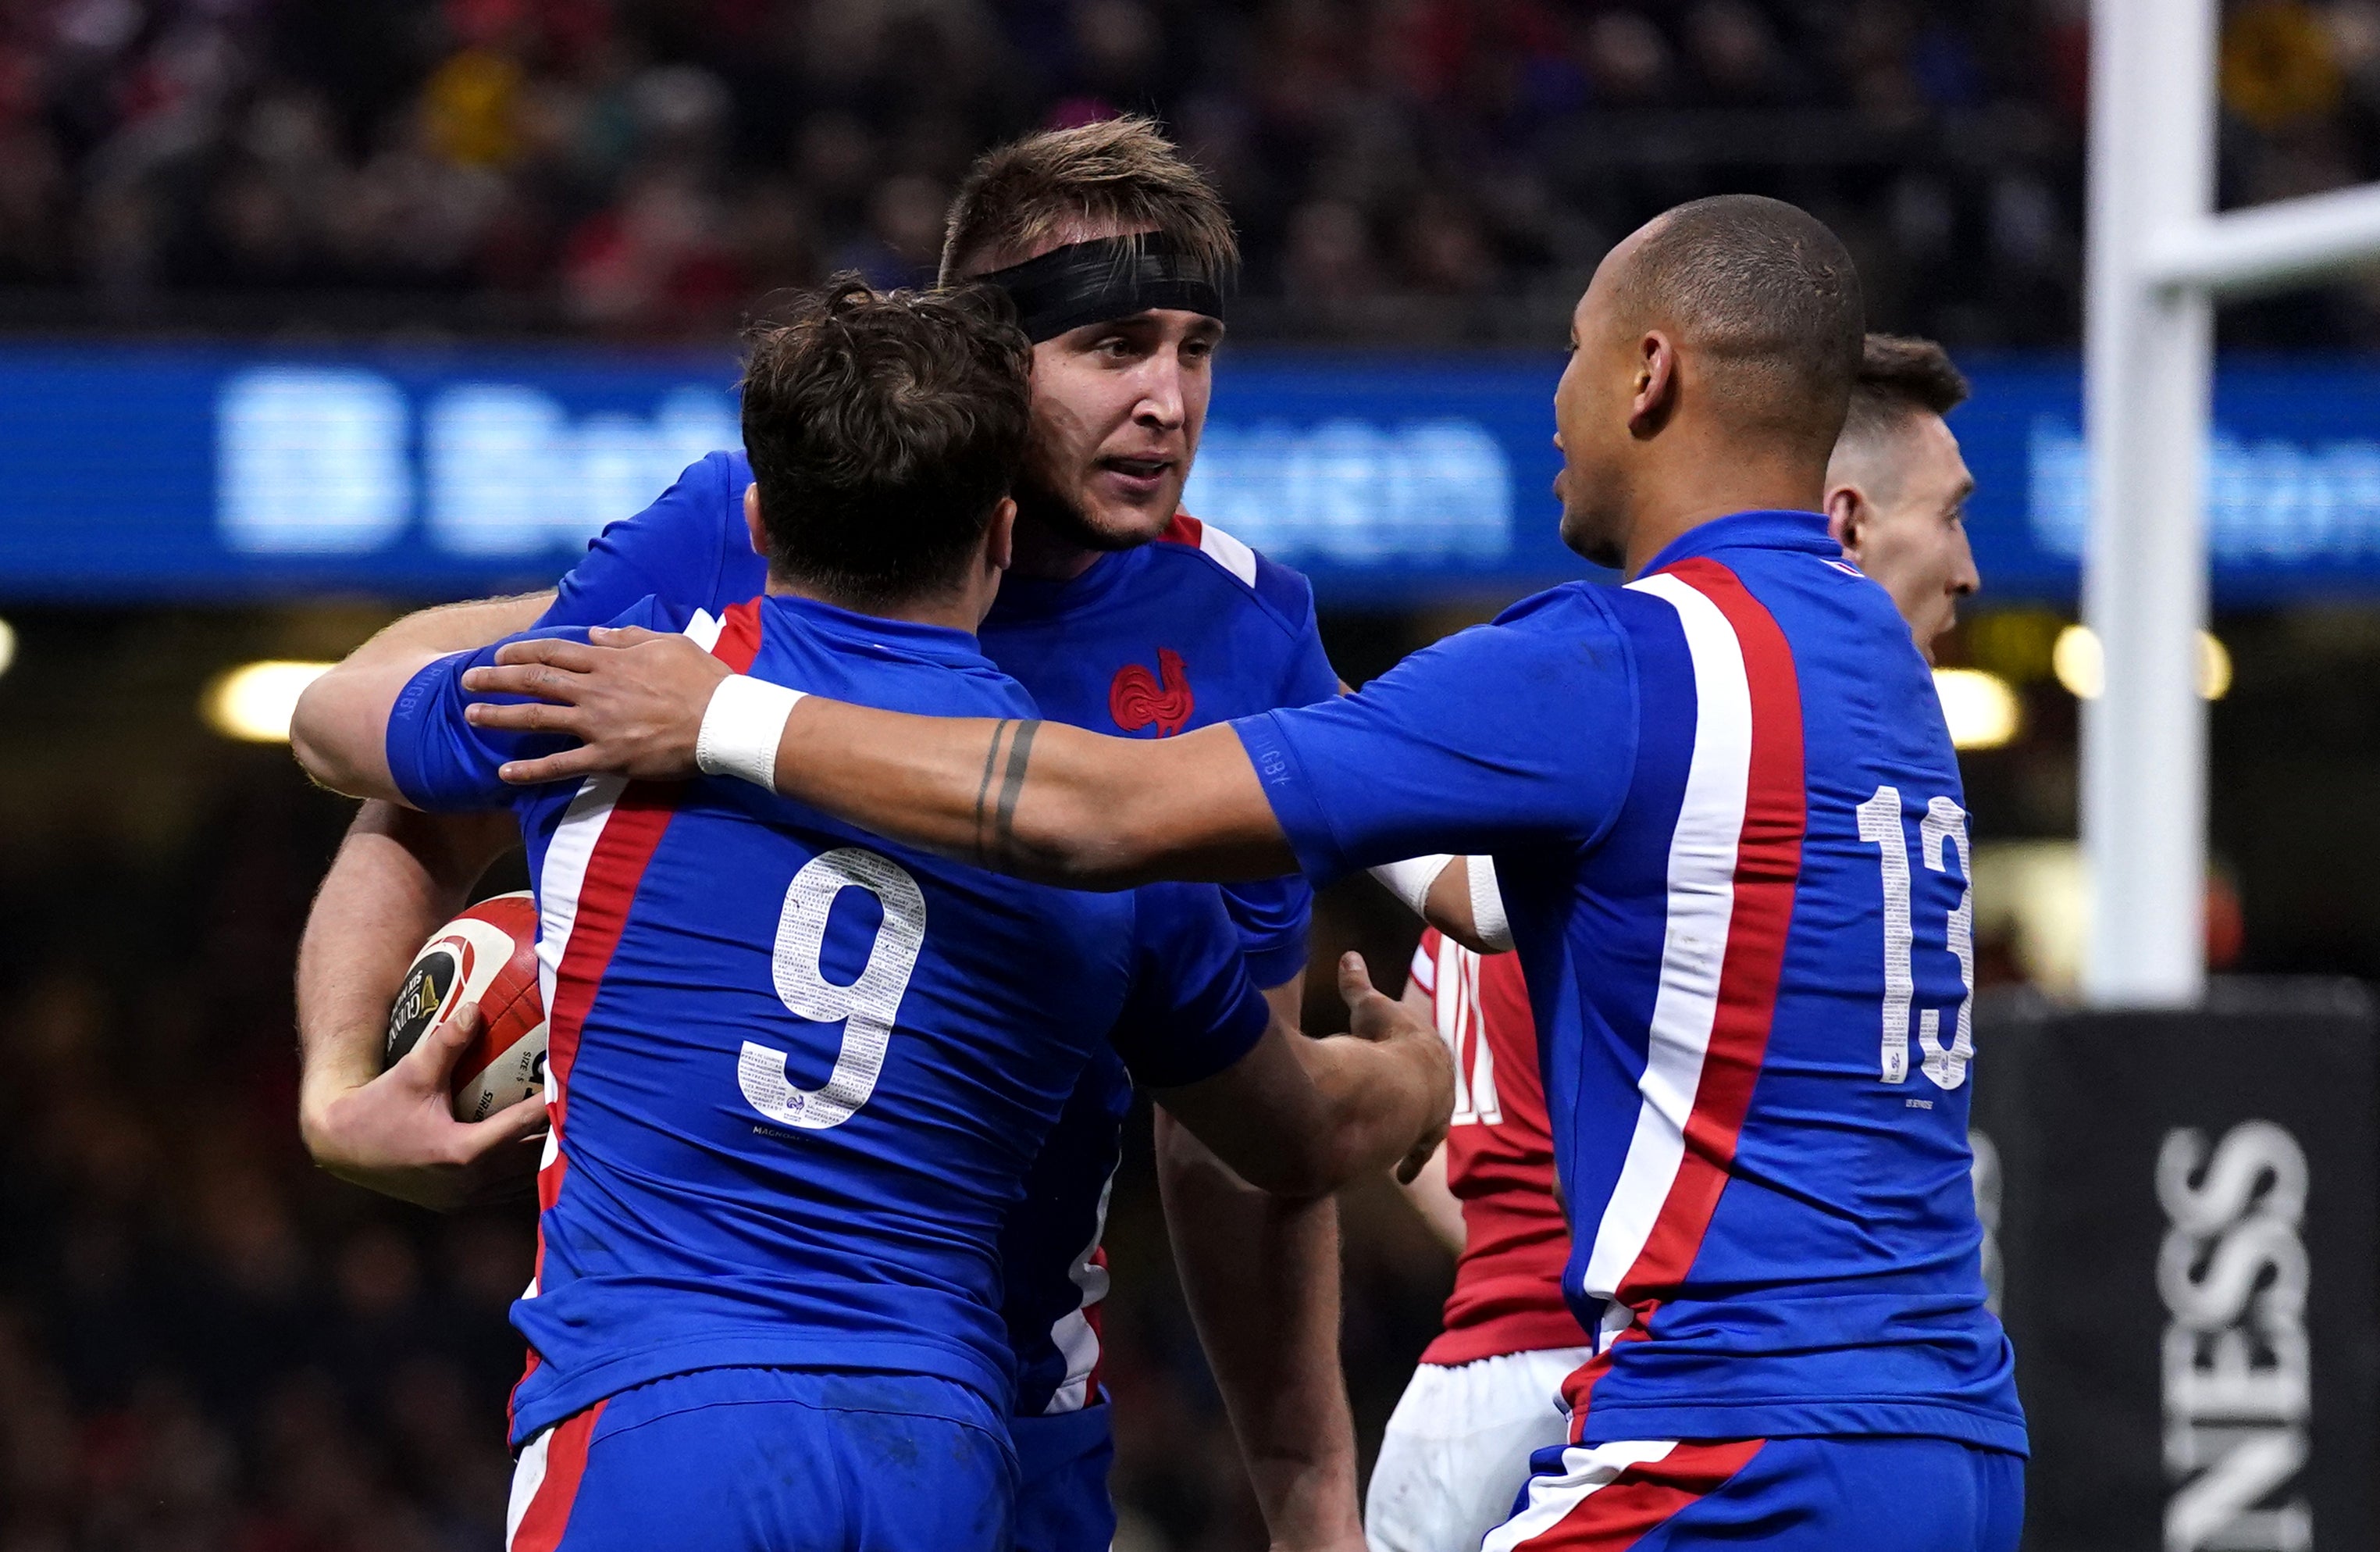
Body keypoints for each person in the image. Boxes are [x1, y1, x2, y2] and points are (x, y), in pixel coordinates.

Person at [463, 194, 2028, 1551]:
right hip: (1951, 1428)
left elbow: (1106, 812)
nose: (1547, 398)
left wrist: (726, 715)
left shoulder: (1602, 663)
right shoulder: (1880, 674)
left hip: (1731, 1438)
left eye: (1567, 348)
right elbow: (1551, 899)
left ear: (1649, 373)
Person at [292, 117, 1380, 1552]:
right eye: (1117, 348)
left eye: (1197, 349)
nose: (1169, 402)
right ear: (985, 355)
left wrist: (1307, 1491)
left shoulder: (1242, 635)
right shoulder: (757, 516)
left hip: (980, 1408)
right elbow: (420, 797)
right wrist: (331, 1086)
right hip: (875, 1407)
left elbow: (1229, 1135)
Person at [1366, 330, 1986, 1552]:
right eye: (1955, 515)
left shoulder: (1718, 743)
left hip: (1580, 1375)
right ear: (1846, 521)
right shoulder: (1696, 740)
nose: (1970, 567)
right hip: (1622, 1384)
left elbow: (1480, 1144)